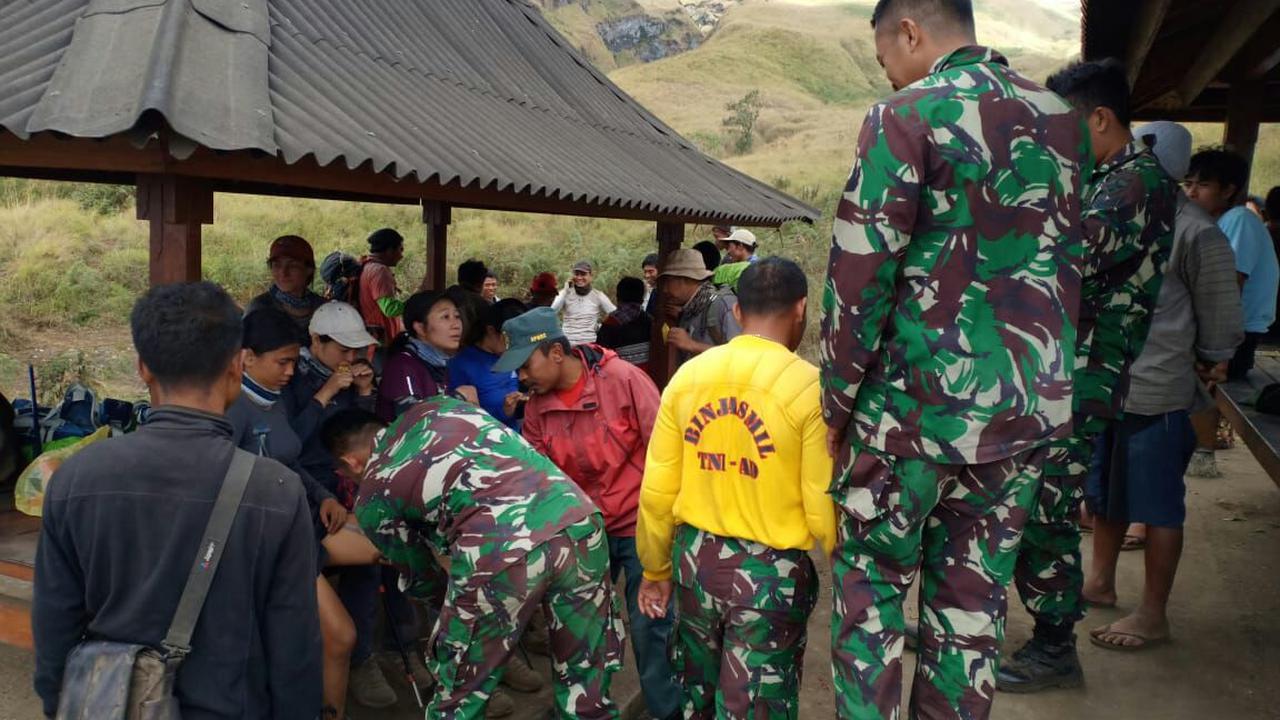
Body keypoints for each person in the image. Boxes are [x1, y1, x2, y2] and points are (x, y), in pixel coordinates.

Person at [819, 2, 1088, 718]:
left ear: (909, 30)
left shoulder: (904, 115)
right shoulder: (1062, 119)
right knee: (972, 608)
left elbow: (860, 275)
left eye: (885, 57)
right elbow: (1066, 261)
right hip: (1022, 414)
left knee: (870, 595)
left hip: (911, 416)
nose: (889, 73)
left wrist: (836, 405)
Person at [33, 282, 321, 719]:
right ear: (235, 364)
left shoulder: (75, 478)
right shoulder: (276, 490)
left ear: (143, 368)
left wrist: (63, 704)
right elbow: (293, 646)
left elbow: (55, 625)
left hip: (112, 705)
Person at [998, 59, 1177, 692]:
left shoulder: (1135, 185)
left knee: (1047, 508)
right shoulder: (1106, 177)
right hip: (1061, 371)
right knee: (1028, 499)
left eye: (1062, 125)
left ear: (1099, 119)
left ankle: (1054, 646)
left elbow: (1062, 257)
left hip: (1082, 377)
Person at [636, 258, 835, 718]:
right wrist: (847, 575)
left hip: (694, 566)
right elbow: (821, 503)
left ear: (739, 312)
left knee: (698, 696)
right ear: (801, 308)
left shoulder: (688, 378)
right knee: (756, 704)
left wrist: (655, 568)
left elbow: (657, 489)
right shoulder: (809, 388)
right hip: (769, 577)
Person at [354, 395, 625, 720]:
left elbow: (420, 576)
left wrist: (455, 609)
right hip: (579, 521)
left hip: (501, 549)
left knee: (458, 700)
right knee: (586, 685)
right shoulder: (443, 406)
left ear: (350, 463)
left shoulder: (372, 493)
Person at [1080, 122, 1243, 652]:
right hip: (1110, 383)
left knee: (1157, 505)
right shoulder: (1121, 213)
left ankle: (1153, 613)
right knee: (1108, 493)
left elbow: (1220, 310)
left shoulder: (1196, 231)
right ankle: (1100, 582)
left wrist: (1213, 357)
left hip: (1159, 388)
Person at [495, 307, 679, 720]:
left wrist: (668, 521)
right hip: (582, 530)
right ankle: (585, 708)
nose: (521, 378)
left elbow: (666, 451)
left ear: (556, 352)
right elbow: (540, 479)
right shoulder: (537, 408)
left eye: (525, 365)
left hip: (639, 525)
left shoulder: (624, 380)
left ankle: (665, 710)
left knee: (650, 625)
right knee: (580, 628)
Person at [226, 307, 387, 719]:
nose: (289, 372)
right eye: (282, 362)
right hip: (272, 542)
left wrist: (324, 497)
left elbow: (290, 460)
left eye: (293, 362)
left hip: (302, 520)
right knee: (339, 635)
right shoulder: (233, 409)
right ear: (246, 357)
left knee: (383, 545)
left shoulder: (270, 400)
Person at [280, 301, 400, 709]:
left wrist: (364, 394)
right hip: (303, 489)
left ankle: (362, 657)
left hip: (345, 482)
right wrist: (326, 393)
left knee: (371, 561)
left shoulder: (348, 376)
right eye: (343, 349)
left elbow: (357, 437)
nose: (351, 357)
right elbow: (289, 446)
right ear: (316, 341)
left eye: (356, 350)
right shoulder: (290, 377)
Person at [1185, 148, 1278, 380]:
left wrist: (1221, 356)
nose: (1191, 192)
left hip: (1235, 339)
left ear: (1228, 190)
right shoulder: (1212, 224)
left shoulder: (1239, 220)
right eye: (1188, 184)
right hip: (1220, 335)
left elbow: (1230, 288)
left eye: (1203, 185)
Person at [376, 290, 469, 422]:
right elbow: (415, 422)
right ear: (420, 328)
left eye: (457, 316)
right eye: (445, 317)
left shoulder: (440, 363)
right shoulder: (403, 366)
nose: (456, 325)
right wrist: (459, 397)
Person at [448, 298, 529, 430]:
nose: (515, 344)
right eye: (510, 339)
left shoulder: (509, 356)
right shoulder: (461, 365)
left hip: (515, 436)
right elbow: (457, 419)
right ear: (491, 331)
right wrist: (503, 411)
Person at [660, 248, 741, 367]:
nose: (665, 289)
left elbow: (740, 356)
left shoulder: (723, 305)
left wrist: (692, 345)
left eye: (668, 281)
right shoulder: (690, 309)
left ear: (686, 279)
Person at [246, 234, 327, 333]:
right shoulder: (258, 309)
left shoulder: (325, 309)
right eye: (277, 265)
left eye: (292, 265)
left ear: (309, 269)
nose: (283, 273)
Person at [358, 227, 406, 346]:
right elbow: (389, 309)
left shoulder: (367, 266)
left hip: (372, 336)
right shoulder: (380, 271)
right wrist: (415, 304)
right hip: (381, 340)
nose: (401, 256)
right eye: (400, 250)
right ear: (390, 250)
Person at [552, 260, 617, 345]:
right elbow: (552, 311)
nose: (579, 278)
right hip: (568, 342)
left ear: (591, 276)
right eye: (576, 274)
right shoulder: (565, 293)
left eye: (583, 274)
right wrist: (564, 291)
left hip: (589, 343)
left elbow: (615, 315)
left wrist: (602, 327)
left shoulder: (598, 295)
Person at [598, 277, 653, 372]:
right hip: (646, 376)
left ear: (618, 297)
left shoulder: (610, 324)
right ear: (642, 300)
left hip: (621, 376)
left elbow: (601, 356)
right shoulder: (650, 321)